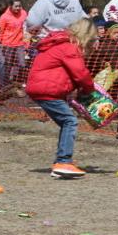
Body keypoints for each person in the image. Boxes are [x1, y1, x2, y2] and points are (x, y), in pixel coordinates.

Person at [24, 18, 96, 177]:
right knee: (69, 121)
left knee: (66, 122)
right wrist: (91, 90)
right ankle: (63, 162)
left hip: (43, 88)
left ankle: (62, 161)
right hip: (46, 90)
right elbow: (81, 74)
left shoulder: (61, 44)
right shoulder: (69, 47)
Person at [0, 0, 28, 92]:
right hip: (7, 44)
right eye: (16, 6)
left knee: (22, 64)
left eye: (19, 6)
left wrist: (27, 43)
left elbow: (26, 28)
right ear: (10, 6)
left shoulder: (24, 13)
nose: (18, 8)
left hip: (20, 44)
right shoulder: (4, 17)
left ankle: (19, 83)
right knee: (7, 65)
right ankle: (4, 85)